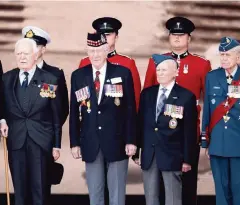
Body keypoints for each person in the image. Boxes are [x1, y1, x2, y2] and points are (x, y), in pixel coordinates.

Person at [143, 16, 211, 205]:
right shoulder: (156, 63)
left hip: (187, 136)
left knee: (187, 188)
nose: (177, 38)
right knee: (159, 189)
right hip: (160, 137)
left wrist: (206, 134)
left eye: (182, 35)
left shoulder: (201, 64)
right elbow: (146, 99)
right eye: (174, 35)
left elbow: (209, 103)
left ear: (189, 38)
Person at [69, 33, 137, 205]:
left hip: (117, 142)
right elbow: (74, 110)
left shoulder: (123, 73)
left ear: (107, 49)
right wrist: (74, 142)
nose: (95, 55)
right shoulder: (78, 75)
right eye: (91, 51)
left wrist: (131, 140)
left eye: (99, 50)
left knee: (117, 195)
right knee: (95, 194)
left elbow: (130, 110)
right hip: (90, 142)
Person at [1, 38, 62, 205]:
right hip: (16, 141)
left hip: (40, 142)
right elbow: (0, 106)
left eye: (26, 53)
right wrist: (2, 120)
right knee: (20, 193)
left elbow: (55, 115)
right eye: (18, 53)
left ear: (35, 55)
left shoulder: (49, 80)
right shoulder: (7, 79)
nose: (22, 57)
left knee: (39, 192)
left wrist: (56, 144)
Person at [134, 54, 197, 205]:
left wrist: (187, 159)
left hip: (173, 154)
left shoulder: (186, 97)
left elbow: (189, 131)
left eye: (164, 70)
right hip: (150, 154)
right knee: (151, 198)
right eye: (158, 70)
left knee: (173, 198)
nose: (160, 73)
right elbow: (140, 124)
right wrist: (137, 153)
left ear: (176, 72)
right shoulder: (147, 94)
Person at [201, 37, 240, 205]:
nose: (223, 58)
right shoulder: (212, 77)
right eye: (221, 55)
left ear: (238, 57)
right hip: (218, 142)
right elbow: (207, 109)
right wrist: (205, 141)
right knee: (221, 193)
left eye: (227, 55)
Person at [78, 17, 141, 111]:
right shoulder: (85, 62)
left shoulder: (127, 63)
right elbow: (79, 97)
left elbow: (135, 99)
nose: (104, 37)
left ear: (116, 37)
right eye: (101, 34)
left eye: (108, 34)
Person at [22, 25, 69, 125]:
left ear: (43, 49)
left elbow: (62, 110)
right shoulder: (14, 75)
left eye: (35, 46)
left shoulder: (55, 75)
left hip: (45, 136)